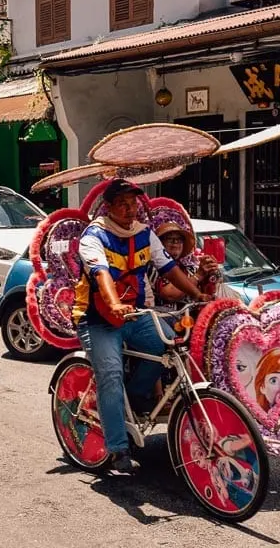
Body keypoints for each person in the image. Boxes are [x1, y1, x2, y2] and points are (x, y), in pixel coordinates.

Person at [73, 179, 211, 473]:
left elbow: (169, 268)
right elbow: (101, 275)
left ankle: (134, 399)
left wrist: (197, 294)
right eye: (122, 203)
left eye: (133, 203)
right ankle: (118, 449)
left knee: (163, 347)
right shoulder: (93, 236)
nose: (129, 209)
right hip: (98, 319)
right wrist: (112, 304)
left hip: (134, 314)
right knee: (110, 373)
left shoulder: (145, 234)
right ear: (109, 207)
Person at [150, 222, 240, 310]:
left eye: (179, 239)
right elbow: (169, 295)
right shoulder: (153, 268)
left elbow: (207, 293)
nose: (175, 243)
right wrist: (198, 275)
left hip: (196, 319)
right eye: (169, 239)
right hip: (167, 319)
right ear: (159, 244)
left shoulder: (190, 267)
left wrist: (212, 273)